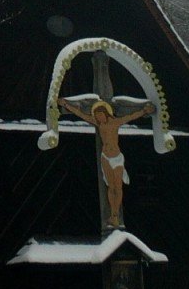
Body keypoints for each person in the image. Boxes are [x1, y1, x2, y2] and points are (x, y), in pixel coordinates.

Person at [59, 94, 154, 228]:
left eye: (100, 115)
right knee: (111, 187)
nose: (99, 118)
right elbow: (81, 115)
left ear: (106, 114)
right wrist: (66, 105)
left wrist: (144, 111)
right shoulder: (99, 124)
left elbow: (130, 116)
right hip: (106, 157)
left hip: (116, 157)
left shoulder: (115, 122)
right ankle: (113, 215)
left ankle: (116, 215)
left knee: (118, 187)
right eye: (97, 116)